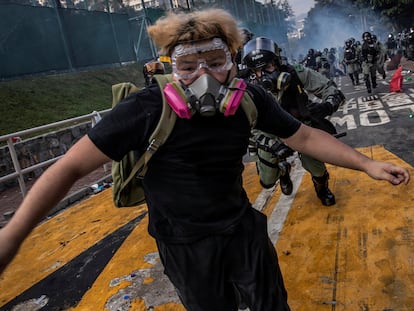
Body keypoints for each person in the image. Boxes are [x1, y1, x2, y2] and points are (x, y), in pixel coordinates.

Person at [0, 8, 410, 311]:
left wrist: (366, 164)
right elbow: (70, 165)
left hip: (241, 228)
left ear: (233, 61)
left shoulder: (250, 97)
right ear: (169, 68)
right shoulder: (146, 109)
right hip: (183, 244)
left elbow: (302, 135)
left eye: (215, 62)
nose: (204, 78)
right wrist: (14, 235)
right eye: (188, 65)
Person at [243, 37, 346, 206]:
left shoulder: (294, 72)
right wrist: (270, 144)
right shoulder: (248, 88)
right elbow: (248, 127)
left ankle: (322, 189)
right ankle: (283, 170)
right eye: (259, 70)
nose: (266, 75)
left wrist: (327, 106)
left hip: (300, 128)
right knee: (267, 181)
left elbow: (330, 89)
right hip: (270, 134)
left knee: (318, 170)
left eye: (269, 66)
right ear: (253, 72)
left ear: (277, 62)